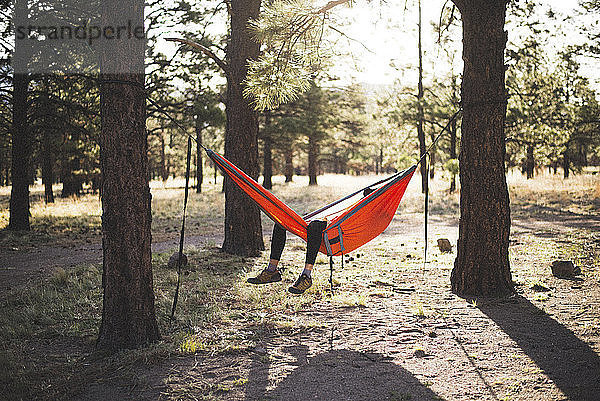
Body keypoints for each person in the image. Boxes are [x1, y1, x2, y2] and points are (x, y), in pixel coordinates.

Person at [247, 187, 375, 294]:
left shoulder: (365, 212)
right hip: (328, 222)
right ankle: (271, 270)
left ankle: (306, 276)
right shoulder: (356, 206)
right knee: (281, 222)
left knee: (315, 226)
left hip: (335, 231)